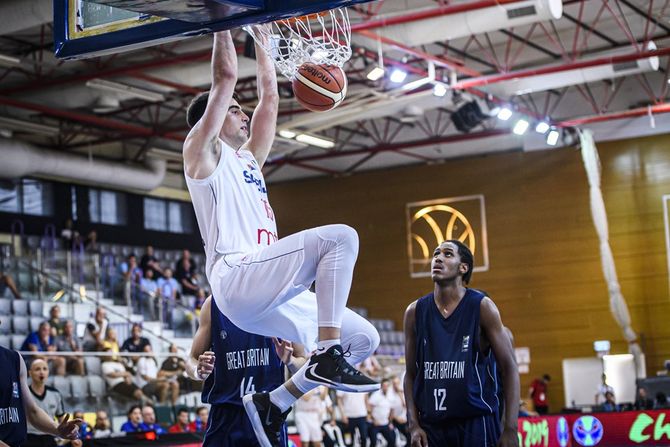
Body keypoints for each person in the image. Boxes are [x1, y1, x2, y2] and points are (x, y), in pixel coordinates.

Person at [182, 29, 379, 446]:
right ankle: (325, 353)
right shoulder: (201, 153)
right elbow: (225, 77)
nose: (243, 115)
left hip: (265, 289)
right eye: (235, 111)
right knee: (340, 238)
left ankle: (275, 402)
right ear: (213, 120)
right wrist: (225, 21)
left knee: (364, 339)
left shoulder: (249, 160)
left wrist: (263, 36)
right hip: (234, 278)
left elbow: (270, 99)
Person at [403, 240, 519, 447]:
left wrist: (510, 428)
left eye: (447, 254)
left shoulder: (482, 306)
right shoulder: (414, 312)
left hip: (476, 420)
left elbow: (509, 368)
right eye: (435, 253)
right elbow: (410, 374)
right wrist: (413, 424)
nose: (437, 258)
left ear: (463, 268)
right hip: (432, 425)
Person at [185, 296, 295, 446]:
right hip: (226, 412)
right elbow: (192, 359)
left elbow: (301, 360)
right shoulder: (213, 304)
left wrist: (290, 361)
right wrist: (198, 371)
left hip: (267, 413)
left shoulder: (281, 299)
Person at [0, 318, 81, 447]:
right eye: (37, 369)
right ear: (32, 373)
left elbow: (32, 411)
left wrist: (57, 429)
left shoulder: (15, 359)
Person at [25, 359, 66, 447]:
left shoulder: (55, 393)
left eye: (45, 369)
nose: (41, 372)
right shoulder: (24, 393)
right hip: (29, 436)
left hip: (49, 436)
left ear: (48, 372)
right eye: (37, 369)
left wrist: (69, 434)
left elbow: (61, 419)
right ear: (30, 373)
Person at [367, 378, 396, 447]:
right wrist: (374, 420)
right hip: (375, 424)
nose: (386, 387)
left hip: (385, 423)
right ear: (381, 386)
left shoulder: (391, 395)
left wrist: (390, 422)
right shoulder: (376, 395)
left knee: (392, 440)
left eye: (387, 386)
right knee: (373, 442)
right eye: (384, 386)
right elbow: (369, 408)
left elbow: (392, 410)